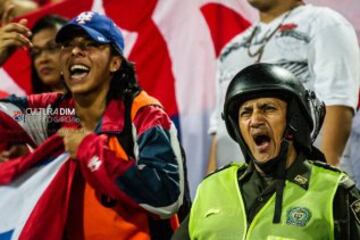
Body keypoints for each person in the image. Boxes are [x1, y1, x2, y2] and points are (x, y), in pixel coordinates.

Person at [1, 11, 188, 239]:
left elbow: (167, 198)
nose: (76, 52)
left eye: (90, 44)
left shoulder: (144, 114)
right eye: (67, 46)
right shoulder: (55, 113)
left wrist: (90, 151)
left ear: (115, 63)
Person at [173, 63, 360, 240]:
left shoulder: (334, 190)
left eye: (268, 108)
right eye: (246, 112)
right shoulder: (210, 188)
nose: (255, 120)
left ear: (294, 120)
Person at [207, 0, 360, 172]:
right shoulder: (231, 49)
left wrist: (321, 183)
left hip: (302, 187)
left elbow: (337, 104)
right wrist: (210, 187)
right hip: (236, 191)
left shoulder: (324, 23)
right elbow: (221, 128)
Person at [0, 14, 67, 161]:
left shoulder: (111, 98)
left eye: (52, 47)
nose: (43, 58)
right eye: (35, 53)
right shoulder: (36, 113)